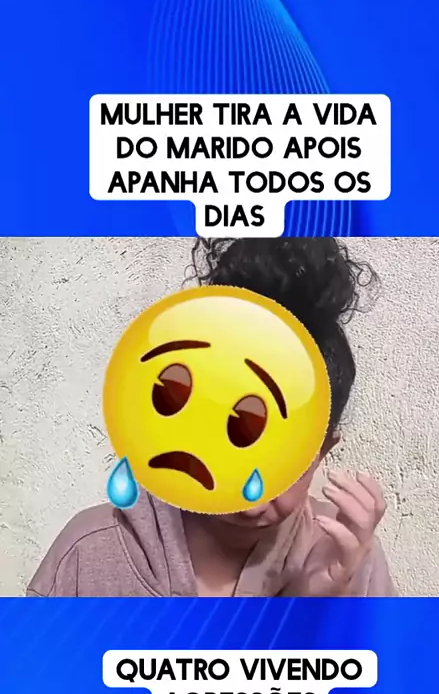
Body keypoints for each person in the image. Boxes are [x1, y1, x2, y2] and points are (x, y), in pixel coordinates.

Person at [27, 237, 395, 598]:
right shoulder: (86, 556)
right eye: (232, 443)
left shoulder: (350, 563)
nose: (251, 503)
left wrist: (320, 613)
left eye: (283, 462)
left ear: (323, 450)